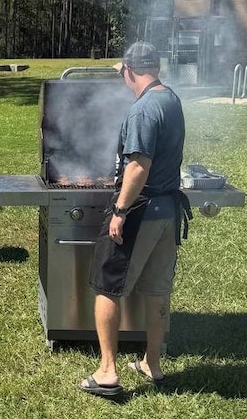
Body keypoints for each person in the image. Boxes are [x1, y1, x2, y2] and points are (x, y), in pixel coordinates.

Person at [78, 41, 191, 397]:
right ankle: (151, 364)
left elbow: (138, 166)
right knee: (158, 292)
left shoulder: (143, 111)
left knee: (107, 286)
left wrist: (120, 210)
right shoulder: (170, 98)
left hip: (141, 210)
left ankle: (108, 373)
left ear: (129, 71)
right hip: (168, 212)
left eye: (123, 73)